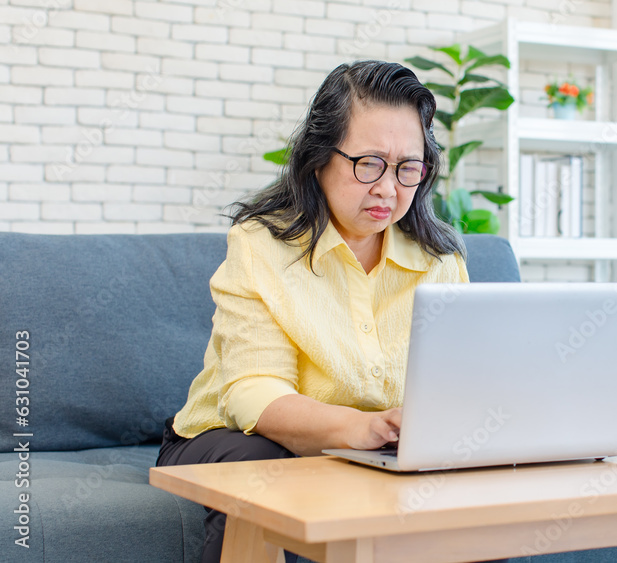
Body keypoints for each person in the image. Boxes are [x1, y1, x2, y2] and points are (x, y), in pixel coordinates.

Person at [156, 59, 469, 563]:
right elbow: (253, 393)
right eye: (368, 163)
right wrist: (365, 430)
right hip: (233, 436)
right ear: (319, 158)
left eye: (409, 168)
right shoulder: (260, 245)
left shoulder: (440, 262)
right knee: (265, 467)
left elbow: (456, 386)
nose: (389, 189)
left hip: (376, 449)